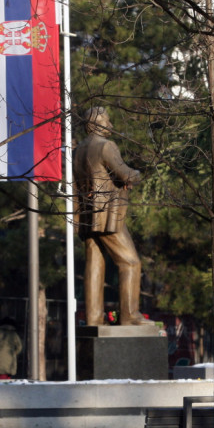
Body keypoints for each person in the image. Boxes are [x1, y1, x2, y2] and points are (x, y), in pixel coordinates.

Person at [73, 107, 151, 326]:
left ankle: (93, 318)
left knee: (94, 263)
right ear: (97, 124)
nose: (111, 126)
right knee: (130, 263)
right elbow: (126, 174)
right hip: (108, 215)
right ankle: (129, 315)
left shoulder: (77, 150)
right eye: (107, 121)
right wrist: (138, 173)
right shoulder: (106, 146)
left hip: (88, 215)